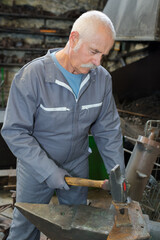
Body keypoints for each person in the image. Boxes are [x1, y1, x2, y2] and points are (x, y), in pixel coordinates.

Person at [1, 10, 125, 240]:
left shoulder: (102, 79)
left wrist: (118, 175)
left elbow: (107, 130)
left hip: (77, 163)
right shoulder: (33, 76)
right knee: (26, 227)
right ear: (74, 39)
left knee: (76, 224)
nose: (98, 62)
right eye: (94, 52)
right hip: (36, 166)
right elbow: (15, 132)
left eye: (103, 55)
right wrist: (48, 170)